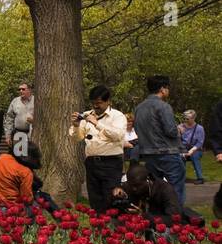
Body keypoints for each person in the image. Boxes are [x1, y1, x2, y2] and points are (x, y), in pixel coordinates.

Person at [68, 84, 127, 214]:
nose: (95, 106)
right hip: (91, 163)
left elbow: (118, 136)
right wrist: (76, 125)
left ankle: (114, 228)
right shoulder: (87, 115)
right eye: (93, 103)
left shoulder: (117, 116)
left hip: (111, 163)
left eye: (99, 103)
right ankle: (98, 228)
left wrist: (97, 123)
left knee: (111, 198)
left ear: (108, 101)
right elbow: (76, 138)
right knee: (95, 199)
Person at [134, 75, 186, 207]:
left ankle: (157, 220)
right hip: (167, 152)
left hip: (148, 153)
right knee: (175, 188)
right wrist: (178, 129)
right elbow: (170, 131)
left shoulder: (139, 108)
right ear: (162, 89)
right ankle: (175, 219)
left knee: (155, 189)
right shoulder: (163, 106)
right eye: (167, 88)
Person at [113, 164, 200, 228]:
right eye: (131, 185)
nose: (134, 189)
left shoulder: (165, 190)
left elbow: (173, 219)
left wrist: (143, 216)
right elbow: (120, 190)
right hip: (141, 224)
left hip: (160, 224)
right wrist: (117, 192)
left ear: (148, 180)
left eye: (137, 186)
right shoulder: (130, 186)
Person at [2, 82, 34, 151]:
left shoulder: (36, 101)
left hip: (33, 135)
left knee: (30, 158)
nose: (21, 91)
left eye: (23, 89)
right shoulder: (15, 101)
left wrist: (34, 121)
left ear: (29, 90)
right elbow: (9, 119)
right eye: (19, 89)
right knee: (18, 158)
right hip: (18, 134)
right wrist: (8, 135)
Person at [179, 110, 206, 185]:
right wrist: (178, 131)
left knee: (194, 156)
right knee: (179, 157)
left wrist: (191, 151)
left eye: (187, 119)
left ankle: (200, 178)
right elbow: (176, 140)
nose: (185, 120)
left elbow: (200, 143)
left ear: (193, 118)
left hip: (196, 149)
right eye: (184, 118)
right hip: (183, 148)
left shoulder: (199, 128)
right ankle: (181, 177)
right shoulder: (180, 127)